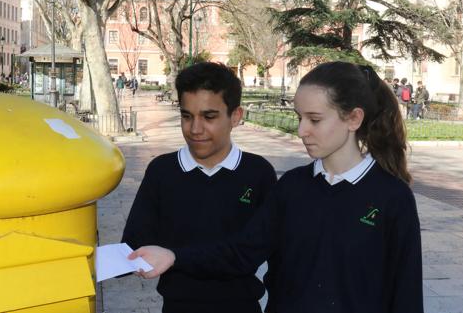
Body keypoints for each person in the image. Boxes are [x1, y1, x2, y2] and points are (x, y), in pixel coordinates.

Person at [131, 61, 423, 313]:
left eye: (315, 119)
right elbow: (241, 252)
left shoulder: (392, 198)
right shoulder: (292, 188)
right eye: (299, 118)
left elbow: (406, 294)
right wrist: (174, 256)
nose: (301, 130)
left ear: (353, 118)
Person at [122, 62, 278, 313]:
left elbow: (251, 252)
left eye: (209, 117)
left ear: (236, 117)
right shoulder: (162, 171)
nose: (195, 129)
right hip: (177, 307)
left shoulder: (258, 173)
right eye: (186, 116)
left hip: (241, 307)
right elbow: (134, 243)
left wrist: (175, 256)